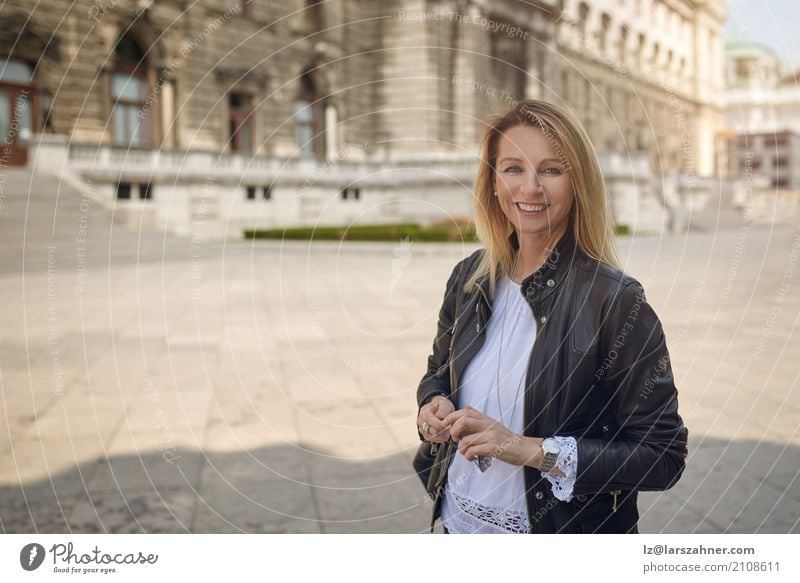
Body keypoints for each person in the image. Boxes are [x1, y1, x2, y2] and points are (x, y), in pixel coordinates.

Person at [414, 99, 688, 534]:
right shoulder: (468, 278)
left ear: (578, 182)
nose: (530, 188)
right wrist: (433, 407)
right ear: (491, 181)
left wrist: (528, 450)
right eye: (512, 168)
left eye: (551, 170)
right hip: (456, 526)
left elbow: (663, 455)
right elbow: (436, 375)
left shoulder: (615, 302)